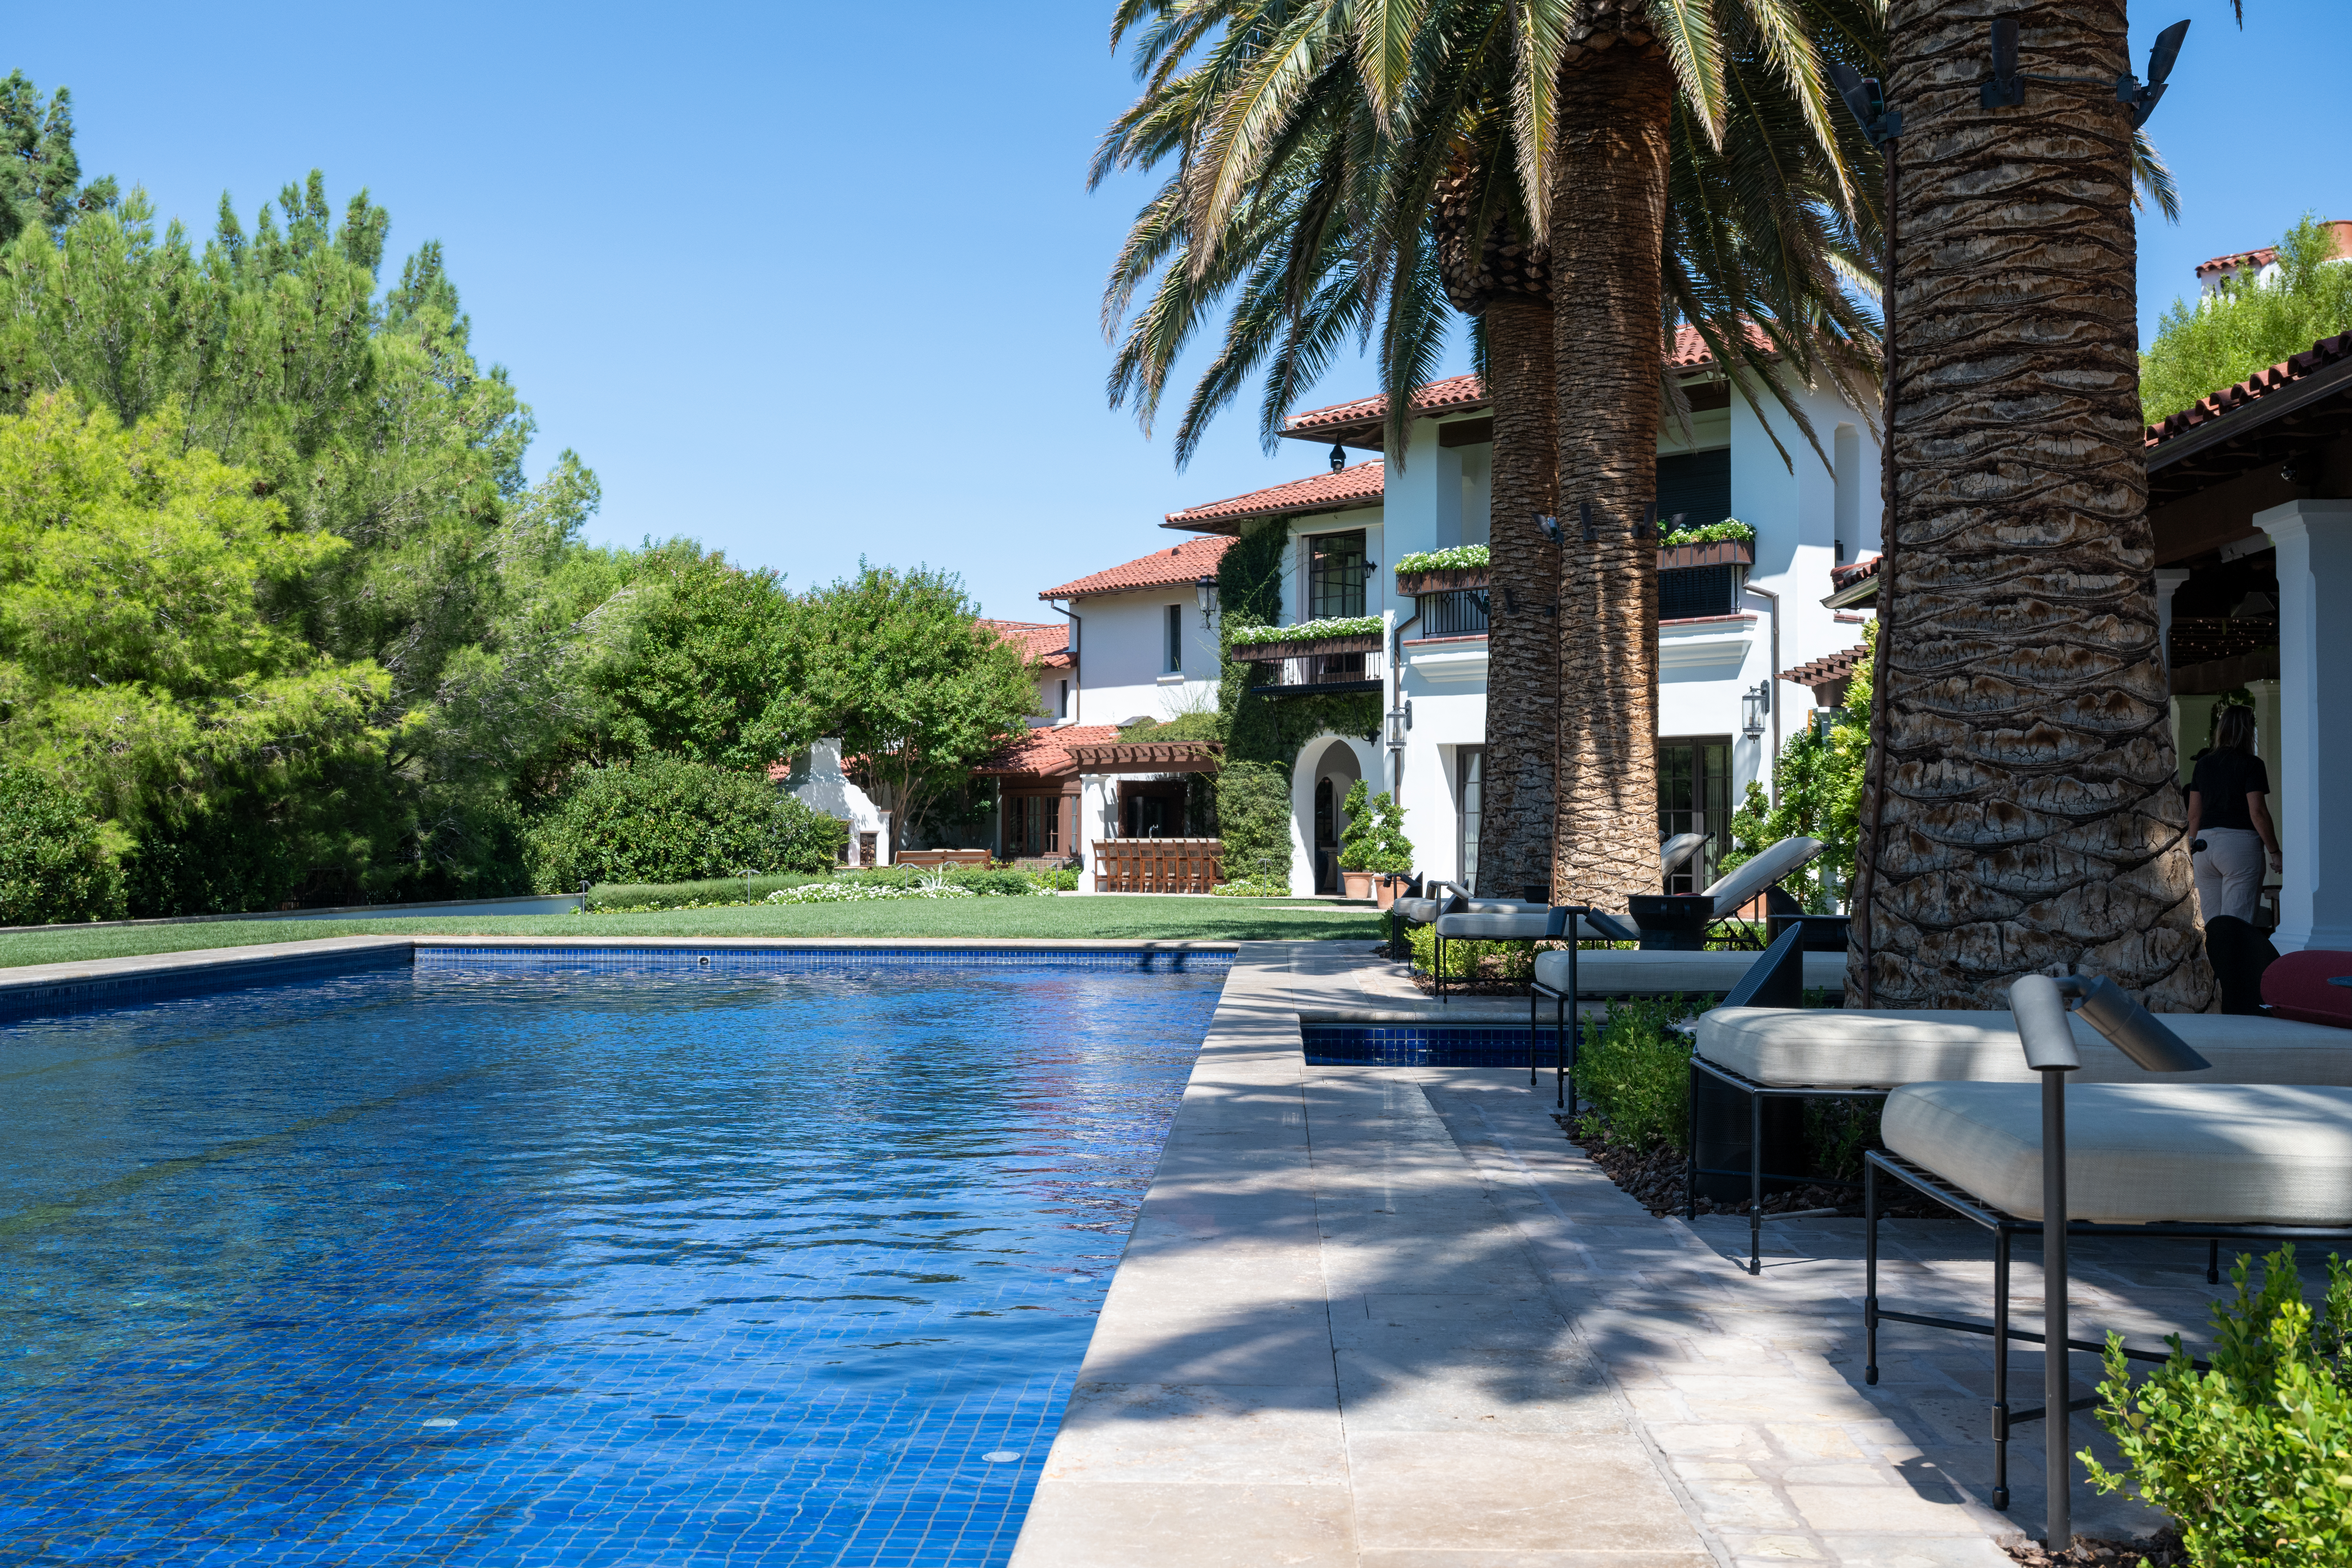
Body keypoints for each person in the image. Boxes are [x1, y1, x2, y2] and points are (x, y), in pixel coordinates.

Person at [2184, 705, 2282, 926]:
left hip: (2203, 845)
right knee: (2237, 925)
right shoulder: (2252, 765)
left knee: (2209, 924)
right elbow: (2257, 812)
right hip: (2239, 846)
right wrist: (2275, 852)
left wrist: (2190, 848)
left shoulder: (2203, 764)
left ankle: (2213, 961)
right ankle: (2234, 961)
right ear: (2248, 731)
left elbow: (2194, 814)